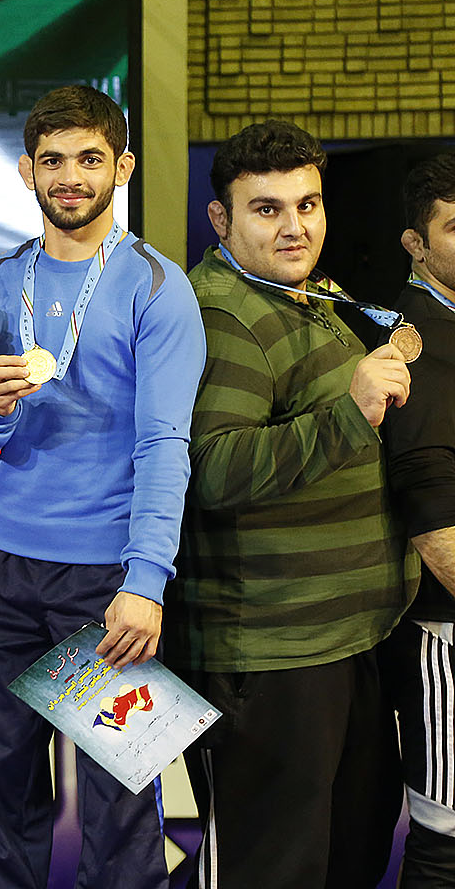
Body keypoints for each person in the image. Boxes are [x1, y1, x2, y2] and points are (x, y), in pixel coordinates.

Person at [0, 85, 202, 888]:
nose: (70, 176)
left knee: (119, 812)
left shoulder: (156, 286)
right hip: (4, 572)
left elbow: (165, 446)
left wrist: (145, 582)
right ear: (26, 170)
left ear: (122, 168)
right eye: (53, 160)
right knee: (0, 799)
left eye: (90, 159)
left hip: (106, 583)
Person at [167, 119, 415, 887]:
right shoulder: (223, 314)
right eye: (267, 209)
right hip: (272, 655)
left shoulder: (305, 290)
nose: (294, 226)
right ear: (221, 218)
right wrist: (352, 412)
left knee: (347, 857)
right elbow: (212, 470)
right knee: (271, 869)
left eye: (307, 204)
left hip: (346, 638)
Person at [381, 150, 455, 887]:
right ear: (416, 243)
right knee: (447, 841)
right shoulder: (415, 344)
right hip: (445, 631)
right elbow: (436, 529)